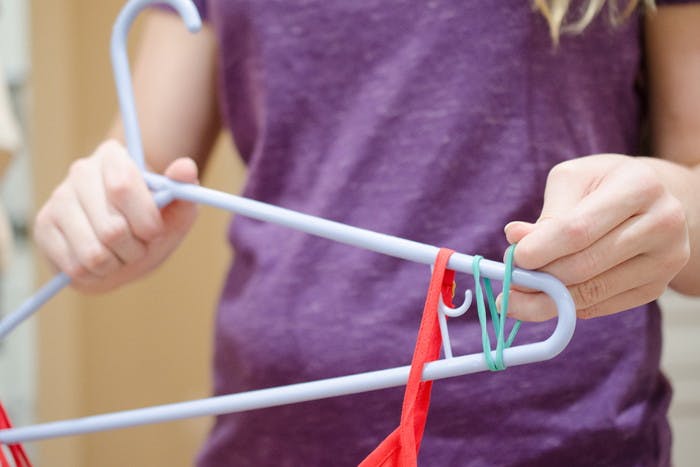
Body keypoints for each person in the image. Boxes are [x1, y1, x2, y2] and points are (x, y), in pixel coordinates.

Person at [32, 0, 700, 465]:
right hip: (272, 442)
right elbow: (142, 177)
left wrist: (671, 208)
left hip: (558, 441)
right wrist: (97, 219)